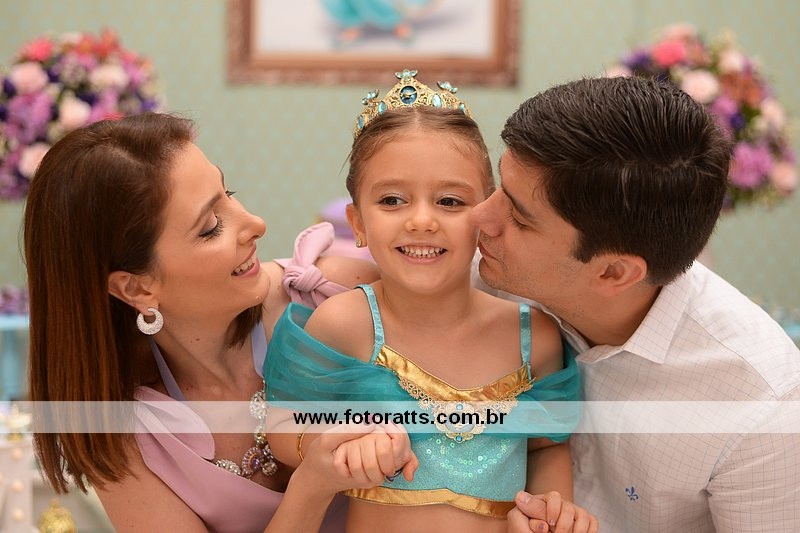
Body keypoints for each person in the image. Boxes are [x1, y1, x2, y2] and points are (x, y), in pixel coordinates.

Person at [23, 112, 417, 532]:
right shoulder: (121, 433)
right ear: (137, 288)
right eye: (210, 227)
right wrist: (312, 486)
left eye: (228, 193)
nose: (256, 225)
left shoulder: (332, 294)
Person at [263, 70, 596, 533]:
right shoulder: (344, 324)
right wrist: (340, 445)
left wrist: (550, 510)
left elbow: (545, 446)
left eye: (450, 202)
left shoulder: (531, 335)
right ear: (357, 223)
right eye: (392, 200)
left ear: (487, 215)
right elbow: (283, 430)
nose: (422, 221)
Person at [470, 76, 800, 532]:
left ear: (614, 273)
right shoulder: (485, 270)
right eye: (499, 186)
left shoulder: (762, 404)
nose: (479, 216)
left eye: (520, 219)